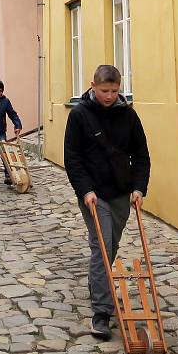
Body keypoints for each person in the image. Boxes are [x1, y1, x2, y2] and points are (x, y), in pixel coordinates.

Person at [63, 65, 151, 339]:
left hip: (121, 192)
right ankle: (101, 312)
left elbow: (141, 155)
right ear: (93, 86)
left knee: (110, 244)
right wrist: (85, 190)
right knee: (102, 247)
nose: (110, 96)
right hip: (94, 193)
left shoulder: (129, 115)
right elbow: (72, 158)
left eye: (115, 90)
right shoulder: (79, 115)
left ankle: (97, 281)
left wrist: (138, 187)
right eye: (104, 91)